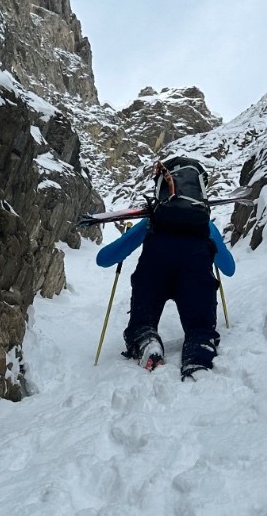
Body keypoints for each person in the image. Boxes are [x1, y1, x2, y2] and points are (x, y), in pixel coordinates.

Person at [95, 156, 235, 379]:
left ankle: (145, 339)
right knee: (200, 325)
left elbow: (103, 259)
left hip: (154, 274)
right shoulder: (204, 224)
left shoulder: (153, 220)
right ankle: (199, 349)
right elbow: (229, 268)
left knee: (143, 317)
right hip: (195, 274)